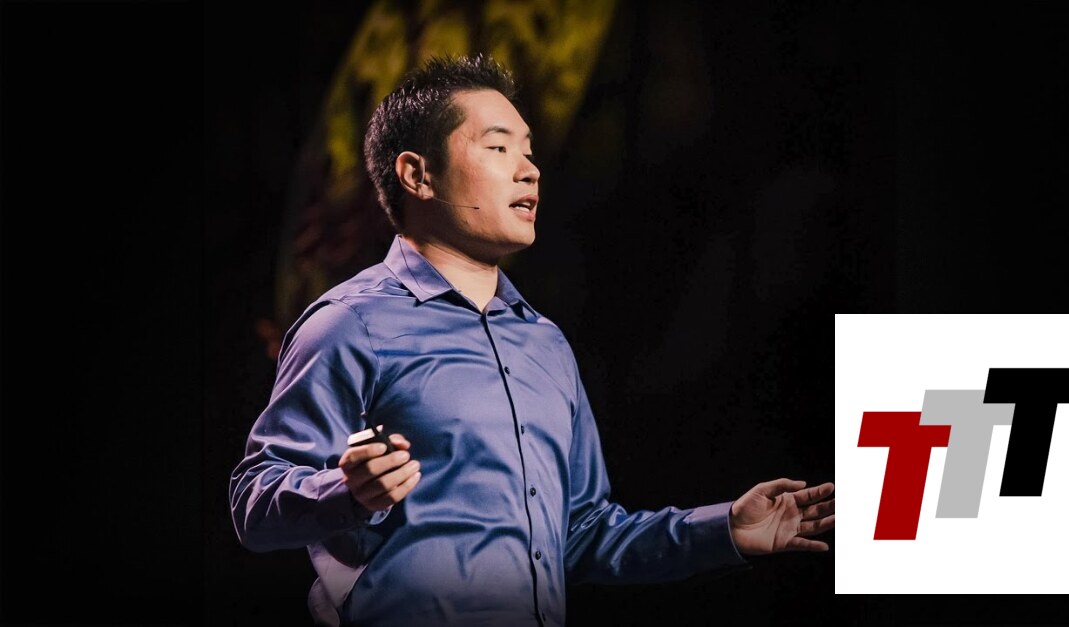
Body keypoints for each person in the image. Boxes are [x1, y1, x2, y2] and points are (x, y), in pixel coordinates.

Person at [229, 53, 834, 627]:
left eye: (529, 151)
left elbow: (582, 532)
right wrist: (347, 491)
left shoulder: (545, 344)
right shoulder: (350, 323)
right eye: (498, 148)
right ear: (418, 174)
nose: (530, 170)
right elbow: (254, 498)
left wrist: (725, 530)